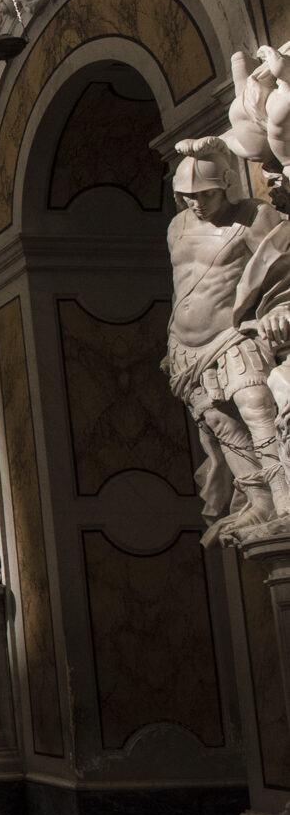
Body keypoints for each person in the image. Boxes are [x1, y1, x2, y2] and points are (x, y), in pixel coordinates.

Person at [162, 141, 290, 540]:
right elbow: (181, 287)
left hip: (233, 335)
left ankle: (286, 500)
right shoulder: (177, 226)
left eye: (205, 195)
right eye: (188, 196)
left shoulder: (254, 216)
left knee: (255, 407)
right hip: (185, 348)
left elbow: (283, 264)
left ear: (227, 186)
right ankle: (260, 502)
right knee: (219, 423)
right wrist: (171, 336)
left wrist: (278, 310)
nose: (196, 203)